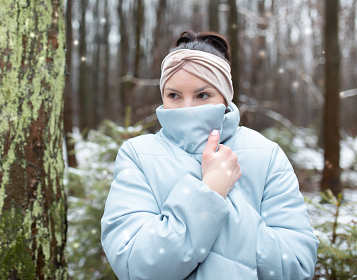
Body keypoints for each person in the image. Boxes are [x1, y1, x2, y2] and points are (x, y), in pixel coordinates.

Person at [100, 31, 319, 280]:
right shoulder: (138, 155)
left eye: (203, 95)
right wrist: (210, 193)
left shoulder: (266, 154)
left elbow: (297, 266)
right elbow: (137, 266)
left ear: (225, 97)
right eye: (174, 96)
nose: (188, 109)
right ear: (163, 97)